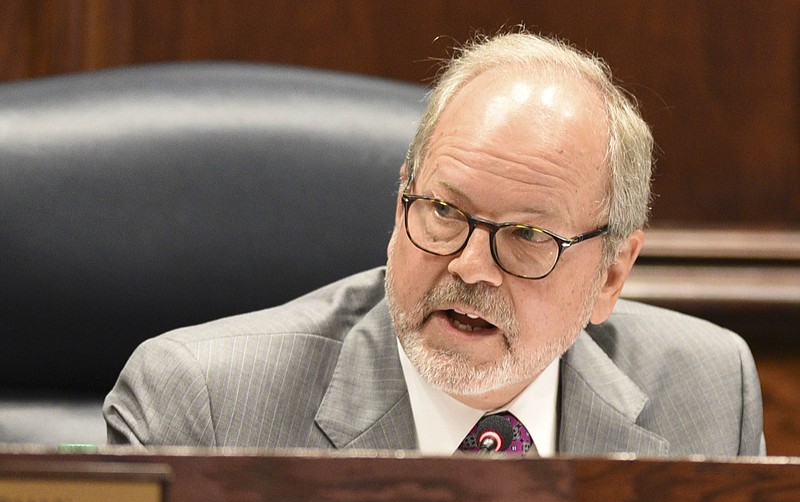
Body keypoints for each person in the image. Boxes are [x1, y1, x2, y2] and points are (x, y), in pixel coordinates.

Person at [103, 30, 766, 457]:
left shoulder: (707, 393)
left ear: (612, 275)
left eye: (529, 235)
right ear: (401, 201)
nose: (471, 265)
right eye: (445, 211)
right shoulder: (205, 410)